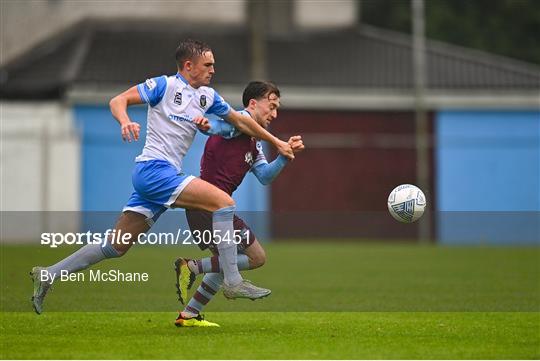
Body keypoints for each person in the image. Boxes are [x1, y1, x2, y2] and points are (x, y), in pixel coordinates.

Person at [30, 39, 294, 315]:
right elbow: (118, 100)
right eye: (208, 65)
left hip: (161, 177)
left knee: (115, 246)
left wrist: (276, 142)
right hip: (154, 170)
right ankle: (232, 281)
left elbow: (241, 122)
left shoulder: (207, 96)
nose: (213, 70)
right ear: (188, 65)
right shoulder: (164, 86)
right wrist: (125, 120)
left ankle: (48, 274)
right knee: (223, 202)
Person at [173, 81, 304, 327]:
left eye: (277, 109)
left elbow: (264, 175)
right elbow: (217, 127)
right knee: (256, 257)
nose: (274, 114)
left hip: (212, 209)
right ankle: (191, 266)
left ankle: (189, 315)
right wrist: (205, 124)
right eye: (271, 106)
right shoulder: (237, 123)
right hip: (209, 206)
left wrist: (284, 156)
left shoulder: (255, 141)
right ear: (253, 104)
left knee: (224, 264)